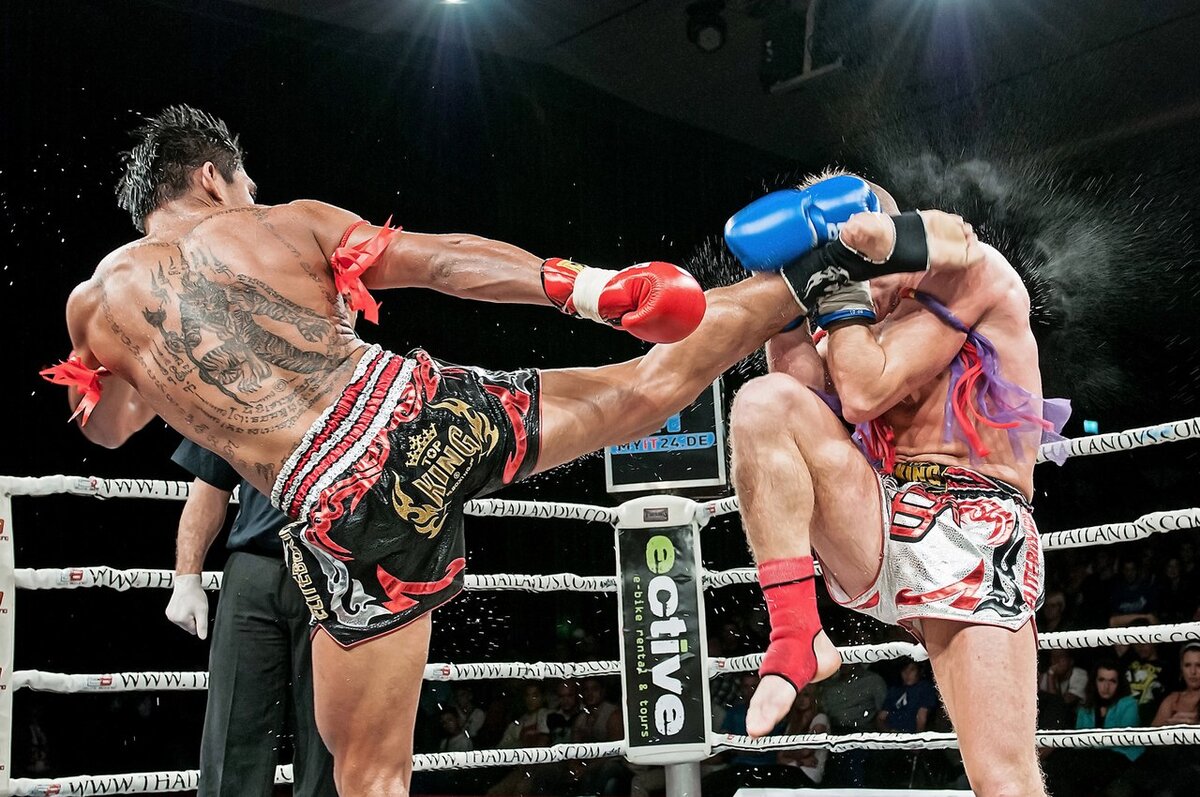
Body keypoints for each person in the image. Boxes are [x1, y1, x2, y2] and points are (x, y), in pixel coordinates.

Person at [44, 107, 976, 794]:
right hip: (421, 410)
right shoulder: (287, 223)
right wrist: (588, 288)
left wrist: (120, 374)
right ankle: (824, 268)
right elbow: (442, 260)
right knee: (645, 391)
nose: (248, 196)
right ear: (213, 178)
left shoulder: (97, 306)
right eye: (244, 183)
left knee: (368, 775)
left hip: (345, 501)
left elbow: (110, 426)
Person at [726, 169, 1068, 797]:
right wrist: (785, 304)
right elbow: (801, 405)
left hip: (975, 528)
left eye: (853, 271)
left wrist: (838, 284)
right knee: (761, 401)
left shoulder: (974, 278)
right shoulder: (855, 324)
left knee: (1001, 779)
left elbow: (864, 392)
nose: (858, 294)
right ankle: (796, 630)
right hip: (880, 516)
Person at [167, 440, 335, 797]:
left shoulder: (380, 404)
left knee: (331, 740)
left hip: (343, 575)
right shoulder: (246, 402)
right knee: (235, 729)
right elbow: (210, 480)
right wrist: (186, 576)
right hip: (255, 569)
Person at [1044, 661, 1143, 797]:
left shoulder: (1129, 704)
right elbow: (1079, 741)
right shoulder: (1086, 707)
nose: (1106, 687)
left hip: (1121, 757)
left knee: (1079, 764)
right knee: (1061, 762)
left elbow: (1123, 740)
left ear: (1119, 684)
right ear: (1094, 682)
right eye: (1101, 680)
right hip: (1091, 757)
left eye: (1112, 681)